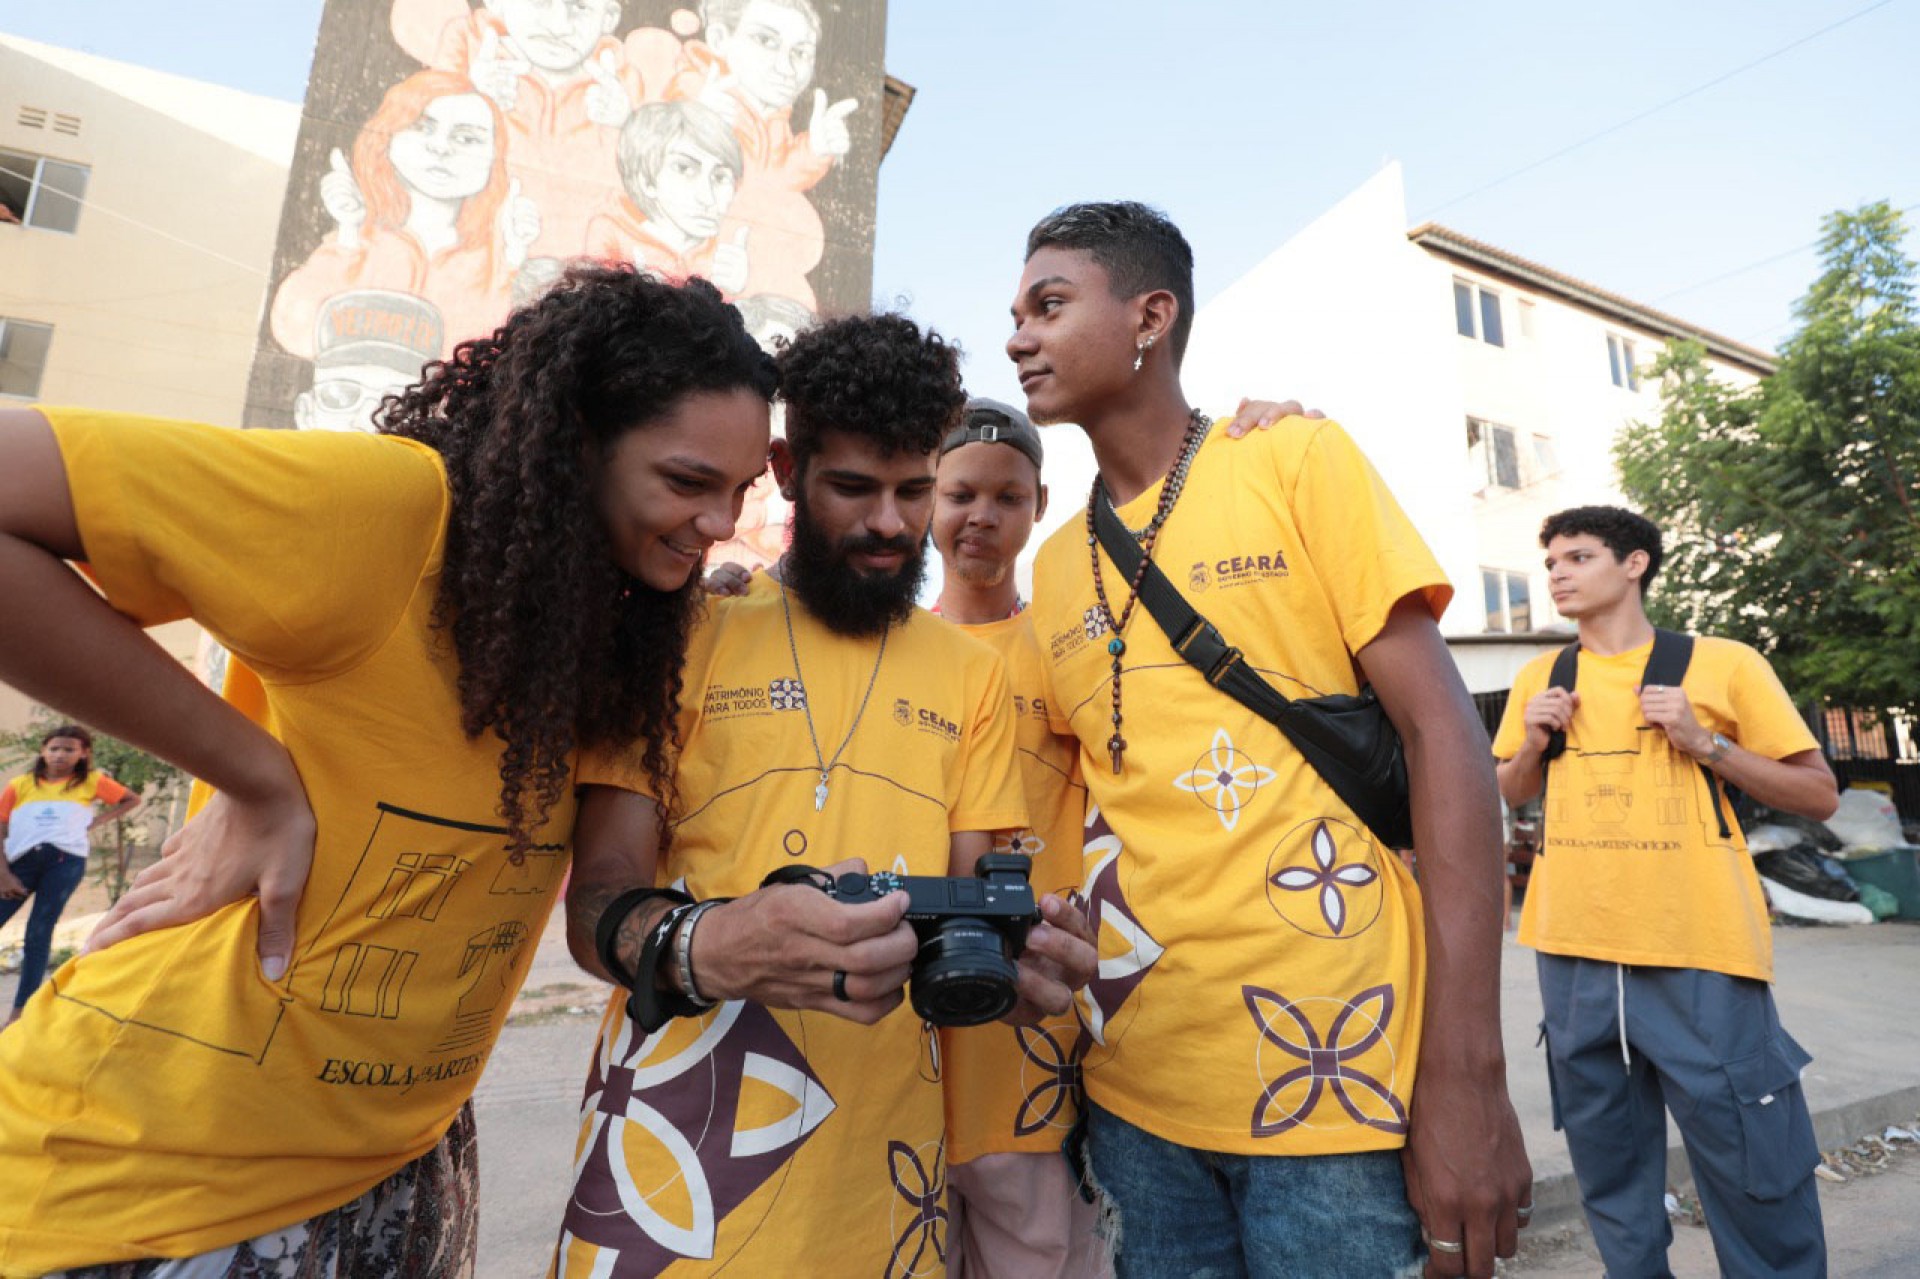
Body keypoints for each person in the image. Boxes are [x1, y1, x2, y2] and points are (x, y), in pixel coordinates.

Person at [0, 266, 778, 1275]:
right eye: (686, 482)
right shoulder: (390, 513)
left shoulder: (610, 622)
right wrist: (256, 775)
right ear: (576, 442)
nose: (721, 521)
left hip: (394, 1170)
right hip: (145, 1180)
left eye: (739, 491)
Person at [1007, 201, 1533, 1279]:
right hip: (1134, 1092)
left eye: (1049, 305)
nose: (1018, 335)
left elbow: (1447, 737)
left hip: (1332, 1083)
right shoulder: (1053, 567)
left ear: (1151, 314)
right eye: (1014, 313)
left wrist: (1468, 1073)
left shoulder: (1292, 458)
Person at [552, 313, 1098, 1277]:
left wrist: (1026, 968)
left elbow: (971, 911)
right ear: (785, 466)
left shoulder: (969, 679)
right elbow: (596, 905)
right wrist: (713, 943)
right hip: (667, 1172)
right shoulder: (686, 632)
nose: (890, 522)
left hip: (887, 1189)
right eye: (853, 486)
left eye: (913, 489)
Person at [1491, 505, 1837, 1279]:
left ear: (1635, 562)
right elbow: (1506, 789)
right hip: (1573, 954)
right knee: (1610, 1172)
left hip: (1699, 951)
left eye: (1578, 557)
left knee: (1755, 1164)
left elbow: (1818, 794)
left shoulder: (1723, 663)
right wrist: (1534, 744)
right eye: (1550, 563)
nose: (1558, 574)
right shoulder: (1539, 678)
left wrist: (1704, 743)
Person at [929, 397, 1104, 1278]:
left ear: (1041, 505)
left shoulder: (1067, 648)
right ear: (925, 497)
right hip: (905, 1047)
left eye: (1008, 496)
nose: (981, 517)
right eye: (961, 492)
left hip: (1033, 1047)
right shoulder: (887, 653)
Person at [269, 69, 538, 363]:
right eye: (423, 127)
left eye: (467, 139)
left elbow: (505, 365)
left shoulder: (493, 262)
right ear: (388, 135)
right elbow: (293, 330)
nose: (440, 147)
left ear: (496, 159)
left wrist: (512, 264)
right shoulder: (359, 242)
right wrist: (347, 237)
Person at [391, 0, 642, 254]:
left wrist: (627, 125)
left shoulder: (623, 82)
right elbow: (408, 154)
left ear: (608, 18)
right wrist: (470, 95)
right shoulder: (467, 50)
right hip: (479, 259)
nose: (559, 26)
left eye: (580, 8)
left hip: (580, 269)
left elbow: (644, 199)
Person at [0, 723, 141, 1027]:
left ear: (83, 753)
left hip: (64, 863)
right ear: (43, 751)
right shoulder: (20, 785)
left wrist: (97, 820)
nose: (60, 754)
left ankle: (20, 1013)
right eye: (54, 748)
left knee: (38, 933)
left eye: (69, 749)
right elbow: (0, 828)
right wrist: (3, 873)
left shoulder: (90, 782)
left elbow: (132, 799)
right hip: (19, 866)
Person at [585, 100, 749, 295]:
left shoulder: (727, 257)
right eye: (684, 169)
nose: (707, 197)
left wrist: (733, 294)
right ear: (646, 181)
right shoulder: (611, 235)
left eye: (721, 177)